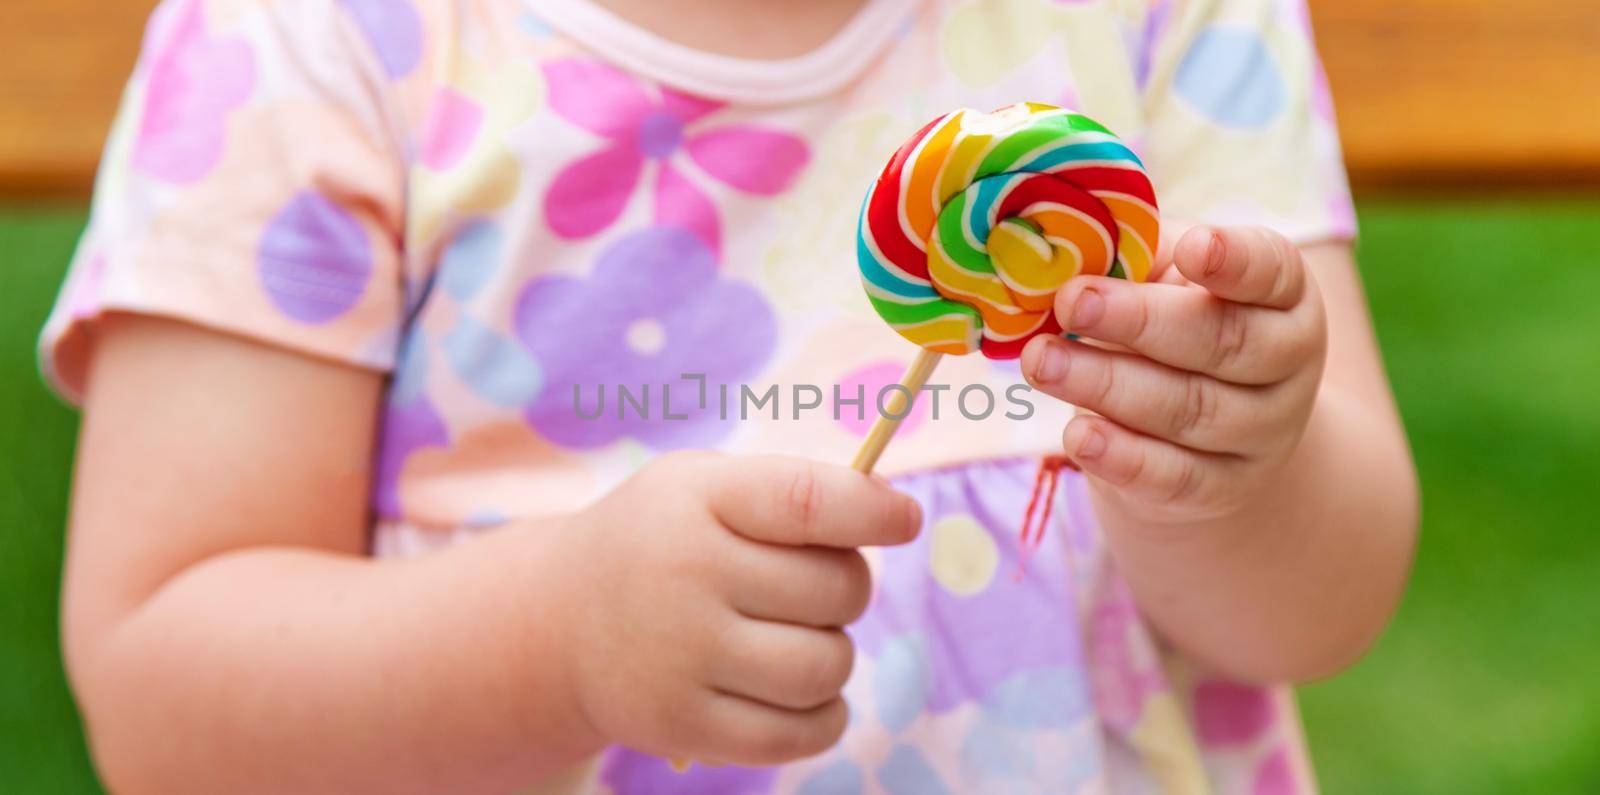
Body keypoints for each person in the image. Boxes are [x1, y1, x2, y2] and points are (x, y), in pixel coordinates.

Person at [40, 0, 1417, 791]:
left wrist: (1237, 460)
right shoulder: (318, 42)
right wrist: (555, 637)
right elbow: (166, 704)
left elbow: (1317, 610)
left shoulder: (1157, 20)